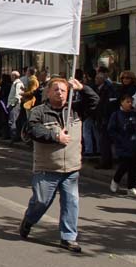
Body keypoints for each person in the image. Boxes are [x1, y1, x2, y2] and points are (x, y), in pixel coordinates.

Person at [18, 76, 99, 253]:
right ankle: (29, 220)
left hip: (71, 168)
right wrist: (55, 137)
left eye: (63, 90)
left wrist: (82, 88)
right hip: (47, 168)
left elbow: (95, 102)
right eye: (56, 90)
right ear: (48, 92)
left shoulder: (75, 110)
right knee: (41, 201)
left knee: (71, 202)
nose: (60, 93)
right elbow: (33, 130)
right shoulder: (39, 112)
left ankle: (68, 237)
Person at [108, 95, 136, 197]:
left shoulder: (134, 114)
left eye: (131, 102)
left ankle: (131, 187)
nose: (129, 104)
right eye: (127, 102)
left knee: (133, 166)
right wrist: (119, 139)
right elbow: (111, 130)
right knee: (125, 164)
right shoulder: (116, 115)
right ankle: (115, 180)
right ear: (122, 102)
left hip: (133, 143)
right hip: (122, 144)